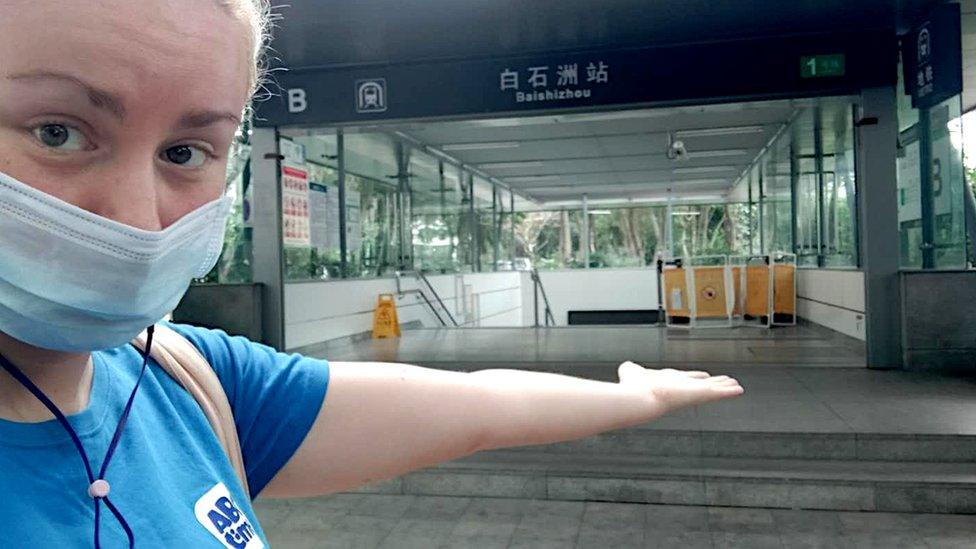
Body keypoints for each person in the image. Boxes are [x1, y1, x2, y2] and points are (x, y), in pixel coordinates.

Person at [0, 1, 744, 547]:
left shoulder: (188, 384)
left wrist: (632, 395)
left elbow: (481, 405)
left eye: (187, 151)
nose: (137, 216)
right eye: (57, 132)